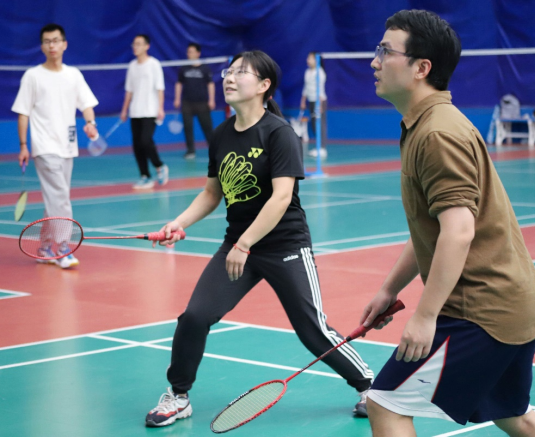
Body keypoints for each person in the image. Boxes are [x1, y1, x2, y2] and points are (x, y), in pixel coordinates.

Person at [360, 10, 535, 437]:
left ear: (421, 68)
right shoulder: (426, 125)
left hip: (481, 312)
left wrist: (425, 316)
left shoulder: (437, 134)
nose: (374, 61)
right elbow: (433, 231)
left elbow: (458, 231)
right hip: (514, 305)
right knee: (512, 413)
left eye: (385, 51)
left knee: (385, 405)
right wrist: (389, 289)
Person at [144, 50, 373, 427]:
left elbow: (281, 198)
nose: (229, 78)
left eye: (241, 73)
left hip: (285, 246)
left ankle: (370, 386)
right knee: (194, 317)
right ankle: (178, 396)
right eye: (228, 72)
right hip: (238, 245)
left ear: (264, 85)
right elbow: (212, 193)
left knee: (312, 328)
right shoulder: (221, 134)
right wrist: (179, 222)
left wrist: (244, 244)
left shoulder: (280, 133)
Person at [12, 23, 99, 269]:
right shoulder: (33, 76)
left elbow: (86, 103)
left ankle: (44, 247)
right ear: (42, 46)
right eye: (47, 41)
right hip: (44, 147)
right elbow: (23, 113)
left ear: (64, 44)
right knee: (60, 198)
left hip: (67, 146)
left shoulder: (73, 75)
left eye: (56, 40)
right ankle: (62, 247)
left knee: (56, 198)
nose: (52, 45)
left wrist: (90, 123)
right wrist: (23, 145)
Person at [120, 34, 169, 189]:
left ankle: (159, 166)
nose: (136, 47)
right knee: (137, 145)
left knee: (145, 141)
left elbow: (160, 88)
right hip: (135, 111)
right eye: (134, 44)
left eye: (139, 44)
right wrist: (124, 110)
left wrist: (161, 108)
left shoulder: (154, 64)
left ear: (147, 46)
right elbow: (129, 90)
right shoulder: (132, 66)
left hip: (150, 111)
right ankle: (145, 176)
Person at [174, 42, 216, 160]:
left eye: (192, 52)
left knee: (208, 128)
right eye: (188, 52)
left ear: (198, 53)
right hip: (187, 103)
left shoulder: (205, 68)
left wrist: (211, 100)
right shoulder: (183, 68)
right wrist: (177, 99)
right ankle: (190, 151)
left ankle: (214, 150)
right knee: (188, 127)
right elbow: (179, 84)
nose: (189, 54)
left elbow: (210, 84)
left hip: (202, 103)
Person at [300, 52, 328, 159]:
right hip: (311, 101)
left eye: (310, 58)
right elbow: (306, 87)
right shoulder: (307, 72)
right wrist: (303, 101)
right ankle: (318, 147)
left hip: (319, 101)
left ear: (316, 60)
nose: (308, 60)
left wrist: (320, 105)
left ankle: (322, 149)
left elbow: (320, 89)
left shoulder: (320, 73)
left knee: (320, 124)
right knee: (314, 124)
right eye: (308, 58)